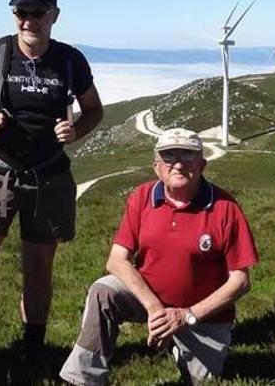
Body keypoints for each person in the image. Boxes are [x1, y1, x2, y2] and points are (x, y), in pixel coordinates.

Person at [0, 0, 104, 366]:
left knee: (38, 266)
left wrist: (75, 131)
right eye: (21, 12)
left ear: (54, 16)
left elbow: (94, 109)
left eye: (37, 12)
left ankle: (33, 348)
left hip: (48, 176)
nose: (28, 20)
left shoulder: (70, 60)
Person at [59, 128, 259, 385]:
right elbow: (116, 261)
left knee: (204, 382)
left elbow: (240, 281)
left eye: (187, 156)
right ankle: (82, 377)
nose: (177, 164)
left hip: (202, 317)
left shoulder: (225, 208)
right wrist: (156, 309)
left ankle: (179, 345)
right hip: (149, 301)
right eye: (168, 157)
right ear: (157, 167)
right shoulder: (142, 197)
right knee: (103, 291)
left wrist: (186, 316)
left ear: (202, 164)